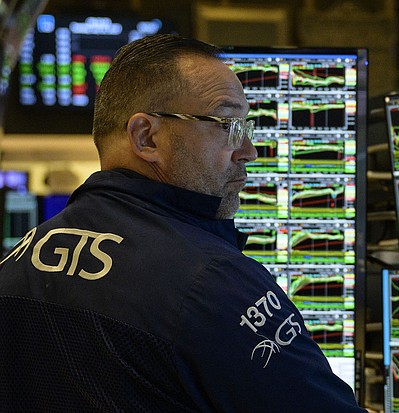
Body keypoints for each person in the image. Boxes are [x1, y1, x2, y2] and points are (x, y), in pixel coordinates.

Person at [0, 34, 367, 412]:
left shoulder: (18, 261)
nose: (248, 152)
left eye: (246, 128)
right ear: (146, 137)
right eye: (226, 124)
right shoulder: (212, 281)